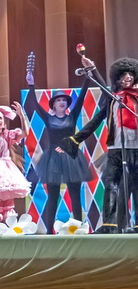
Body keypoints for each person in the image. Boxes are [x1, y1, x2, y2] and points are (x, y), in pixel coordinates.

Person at [59, 58, 138, 233]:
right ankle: (109, 225)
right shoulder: (113, 99)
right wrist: (75, 139)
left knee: (136, 186)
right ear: (117, 78)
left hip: (136, 149)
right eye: (123, 75)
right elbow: (95, 121)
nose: (127, 77)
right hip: (115, 148)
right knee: (111, 185)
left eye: (130, 74)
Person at [25, 57, 95, 233]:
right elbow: (34, 104)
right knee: (53, 196)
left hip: (71, 156)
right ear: (53, 104)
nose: (62, 102)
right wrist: (31, 85)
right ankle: (50, 231)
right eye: (58, 100)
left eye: (64, 100)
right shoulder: (48, 118)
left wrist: (88, 76)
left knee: (75, 195)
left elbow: (82, 97)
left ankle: (78, 229)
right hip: (53, 159)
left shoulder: (72, 116)